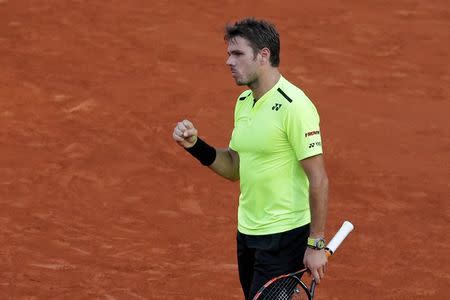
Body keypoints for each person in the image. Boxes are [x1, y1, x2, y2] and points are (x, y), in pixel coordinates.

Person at [172, 18, 329, 300]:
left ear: (263, 55)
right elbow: (234, 167)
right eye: (228, 54)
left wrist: (316, 244)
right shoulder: (244, 102)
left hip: (285, 235)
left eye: (238, 54)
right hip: (248, 232)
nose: (228, 62)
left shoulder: (295, 107)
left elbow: (318, 179)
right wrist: (196, 146)